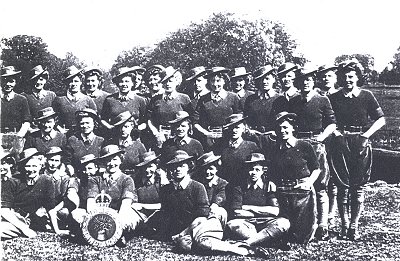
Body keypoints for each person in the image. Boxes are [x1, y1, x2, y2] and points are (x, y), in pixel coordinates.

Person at [328, 59, 385, 240]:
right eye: (344, 77)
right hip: (340, 142)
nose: (348, 80)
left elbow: (381, 119)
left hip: (360, 142)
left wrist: (366, 135)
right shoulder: (334, 98)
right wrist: (336, 133)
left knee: (358, 186)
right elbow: (328, 121)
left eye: (351, 76)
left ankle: (354, 225)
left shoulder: (366, 96)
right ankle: (344, 225)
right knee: (342, 185)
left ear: (358, 77)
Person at [289, 65, 337, 240]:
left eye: (308, 80)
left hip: (316, 144)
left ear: (313, 81)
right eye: (302, 81)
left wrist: (321, 138)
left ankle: (322, 225)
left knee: (321, 186)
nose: (305, 84)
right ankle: (306, 225)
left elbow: (332, 123)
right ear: (298, 83)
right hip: (299, 145)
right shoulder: (294, 101)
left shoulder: (322, 100)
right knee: (302, 183)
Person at [269, 112, 321, 244]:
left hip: (301, 191)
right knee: (284, 228)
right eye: (279, 128)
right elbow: (273, 170)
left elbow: (316, 168)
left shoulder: (304, 146)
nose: (282, 131)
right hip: (283, 191)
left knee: (301, 235)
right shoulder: (275, 148)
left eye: (285, 127)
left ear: (293, 128)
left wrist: (309, 182)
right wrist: (271, 181)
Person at [226, 153, 290, 247]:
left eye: (257, 169)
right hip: (246, 223)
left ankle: (249, 242)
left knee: (284, 222)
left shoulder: (268, 186)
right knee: (232, 224)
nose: (253, 172)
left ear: (263, 171)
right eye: (251, 169)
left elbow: (275, 211)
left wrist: (247, 207)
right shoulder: (239, 187)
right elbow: (237, 212)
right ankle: (266, 240)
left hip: (266, 222)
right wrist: (263, 211)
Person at [87, 145, 142, 246]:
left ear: (121, 160)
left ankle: (120, 234)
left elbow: (125, 205)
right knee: (77, 215)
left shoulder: (127, 179)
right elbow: (90, 203)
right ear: (103, 163)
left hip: (120, 214)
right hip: (100, 215)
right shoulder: (95, 180)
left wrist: (116, 222)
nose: (112, 164)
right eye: (108, 160)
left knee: (130, 219)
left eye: (115, 159)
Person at [159, 150, 210, 240]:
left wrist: (184, 232)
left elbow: (202, 215)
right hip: (174, 228)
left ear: (189, 167)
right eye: (175, 166)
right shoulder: (166, 189)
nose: (178, 169)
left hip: (194, 228)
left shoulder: (198, 187)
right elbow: (165, 211)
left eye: (182, 166)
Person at [193, 67, 241, 150]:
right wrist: (207, 133)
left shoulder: (233, 97)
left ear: (224, 81)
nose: (215, 84)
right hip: (209, 139)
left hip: (228, 138)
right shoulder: (203, 99)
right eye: (212, 81)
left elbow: (240, 118)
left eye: (218, 81)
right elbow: (195, 121)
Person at [8, 148, 56, 233]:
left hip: (29, 218)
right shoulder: (14, 180)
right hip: (12, 216)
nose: (31, 170)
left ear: (40, 166)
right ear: (23, 167)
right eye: (27, 166)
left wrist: (57, 230)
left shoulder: (47, 181)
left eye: (34, 166)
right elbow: (7, 208)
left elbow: (50, 208)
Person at [316, 64, 340, 225]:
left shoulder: (339, 96)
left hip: (335, 140)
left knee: (334, 176)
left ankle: (332, 212)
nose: (326, 78)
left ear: (335, 78)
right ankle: (319, 212)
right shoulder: (317, 95)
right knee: (321, 176)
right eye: (323, 76)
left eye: (329, 75)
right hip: (319, 139)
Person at [147, 66, 193, 149]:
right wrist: (156, 134)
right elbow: (150, 119)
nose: (167, 84)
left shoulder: (184, 98)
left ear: (177, 82)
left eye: (170, 81)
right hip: (160, 138)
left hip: (178, 136)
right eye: (165, 82)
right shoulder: (155, 99)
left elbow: (190, 119)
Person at [213, 114, 259, 186]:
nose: (234, 130)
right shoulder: (222, 146)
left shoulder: (252, 146)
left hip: (243, 186)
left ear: (243, 128)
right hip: (226, 186)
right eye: (231, 128)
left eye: (237, 127)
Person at [1, 152, 37, 240]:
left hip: (15, 218)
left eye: (3, 163)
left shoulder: (18, 180)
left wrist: (25, 229)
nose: (0, 167)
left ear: (10, 164)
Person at [52, 65, 97, 134]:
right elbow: (52, 118)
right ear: (67, 83)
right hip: (64, 135)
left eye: (76, 81)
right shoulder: (59, 99)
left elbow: (95, 119)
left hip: (82, 137)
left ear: (81, 82)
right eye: (70, 81)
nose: (73, 84)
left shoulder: (88, 100)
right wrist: (60, 129)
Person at [101, 67, 147, 132]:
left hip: (134, 137)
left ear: (133, 83)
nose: (124, 84)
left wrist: (137, 129)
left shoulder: (140, 100)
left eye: (127, 81)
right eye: (121, 81)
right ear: (117, 84)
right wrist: (110, 127)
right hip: (114, 136)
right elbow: (103, 119)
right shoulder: (110, 99)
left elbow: (145, 121)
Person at [133, 151, 167, 236]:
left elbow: (165, 204)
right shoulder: (136, 181)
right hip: (141, 215)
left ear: (156, 166)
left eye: (150, 166)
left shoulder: (162, 181)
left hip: (158, 214)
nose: (147, 170)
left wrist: (143, 205)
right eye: (144, 167)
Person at [105, 111, 146, 175]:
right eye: (120, 127)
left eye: (126, 126)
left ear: (132, 127)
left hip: (135, 179)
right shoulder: (111, 144)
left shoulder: (138, 146)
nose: (123, 130)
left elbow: (145, 165)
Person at [194, 151, 228, 221]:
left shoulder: (222, 183)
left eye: (211, 169)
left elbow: (218, 200)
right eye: (205, 169)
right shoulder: (197, 183)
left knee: (220, 212)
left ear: (217, 169)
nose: (207, 172)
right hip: (199, 214)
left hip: (213, 214)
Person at [1, 66, 31, 138]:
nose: (8, 84)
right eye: (5, 81)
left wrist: (19, 136)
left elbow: (26, 121)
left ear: (15, 83)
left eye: (11, 81)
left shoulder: (21, 99)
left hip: (17, 135)